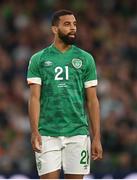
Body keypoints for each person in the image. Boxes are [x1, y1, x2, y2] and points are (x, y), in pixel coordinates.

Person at [27, 9, 103, 179]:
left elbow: (92, 100)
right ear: (54, 29)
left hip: (78, 132)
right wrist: (34, 131)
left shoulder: (86, 59)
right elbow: (34, 98)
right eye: (67, 24)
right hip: (47, 132)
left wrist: (96, 136)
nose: (73, 28)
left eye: (75, 24)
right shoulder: (38, 59)